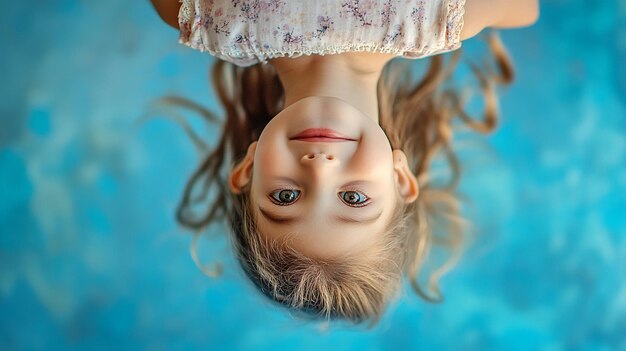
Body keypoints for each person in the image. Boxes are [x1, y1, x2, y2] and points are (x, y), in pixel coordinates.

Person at [150, 0, 539, 324]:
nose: (319, 168)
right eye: (353, 199)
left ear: (247, 170)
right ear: (400, 178)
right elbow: (526, 10)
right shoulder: (434, 18)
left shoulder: (211, 19)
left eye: (285, 196)